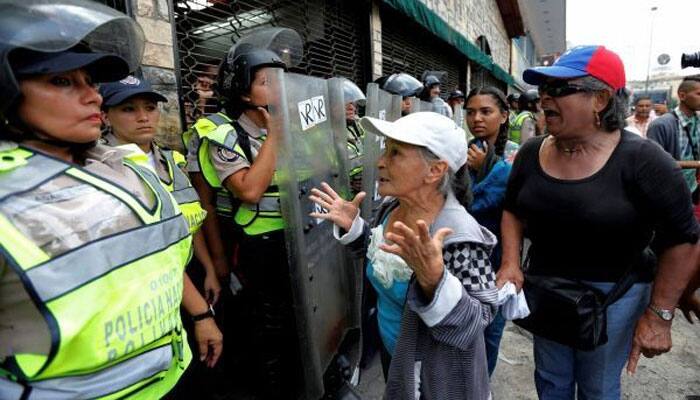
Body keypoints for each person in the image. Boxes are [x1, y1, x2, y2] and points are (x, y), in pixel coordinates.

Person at [0, 0, 220, 397]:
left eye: (90, 81)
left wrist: (201, 314)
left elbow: (162, 255)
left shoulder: (129, 168)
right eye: (62, 81)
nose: (92, 98)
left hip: (173, 374)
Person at [498, 45, 700, 399]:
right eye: (544, 89)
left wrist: (659, 315)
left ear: (601, 99)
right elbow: (513, 209)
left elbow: (683, 240)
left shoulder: (645, 162)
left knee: (597, 387)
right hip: (546, 289)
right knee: (551, 380)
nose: (544, 97)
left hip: (614, 297)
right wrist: (511, 263)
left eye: (559, 89)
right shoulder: (531, 153)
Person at [310, 112, 497, 399]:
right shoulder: (391, 207)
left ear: (435, 171)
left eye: (395, 153)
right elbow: (385, 260)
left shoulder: (459, 236)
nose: (380, 161)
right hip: (395, 355)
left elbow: (476, 322)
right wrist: (356, 229)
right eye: (385, 149)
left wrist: (436, 281)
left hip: (434, 377)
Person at [185, 28, 303, 399]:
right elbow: (249, 190)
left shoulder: (291, 125)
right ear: (242, 91)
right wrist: (275, 136)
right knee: (263, 329)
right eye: (268, 82)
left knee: (292, 323)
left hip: (295, 238)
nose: (279, 90)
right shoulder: (218, 131)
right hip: (253, 244)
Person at [98, 76, 224, 395]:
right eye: (129, 109)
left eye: (150, 108)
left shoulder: (172, 160)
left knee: (203, 363)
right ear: (104, 116)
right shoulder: (102, 170)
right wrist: (200, 311)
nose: (143, 117)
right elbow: (149, 250)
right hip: (151, 287)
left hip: (189, 274)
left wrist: (208, 269)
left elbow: (188, 224)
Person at [465, 86, 518, 376]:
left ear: (504, 115)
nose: (477, 119)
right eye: (471, 112)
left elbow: (496, 202)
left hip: (495, 265)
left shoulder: (512, 158)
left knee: (488, 339)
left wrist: (486, 170)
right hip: (459, 264)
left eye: (486, 111)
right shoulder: (457, 155)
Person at [648, 75, 700, 208]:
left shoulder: (697, 121)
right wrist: (697, 164)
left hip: (692, 188)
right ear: (682, 96)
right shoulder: (661, 125)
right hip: (668, 194)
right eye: (699, 94)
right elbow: (655, 165)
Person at [342, 77, 367, 195]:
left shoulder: (354, 126)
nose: (351, 107)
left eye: (352, 103)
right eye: (345, 103)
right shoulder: (323, 134)